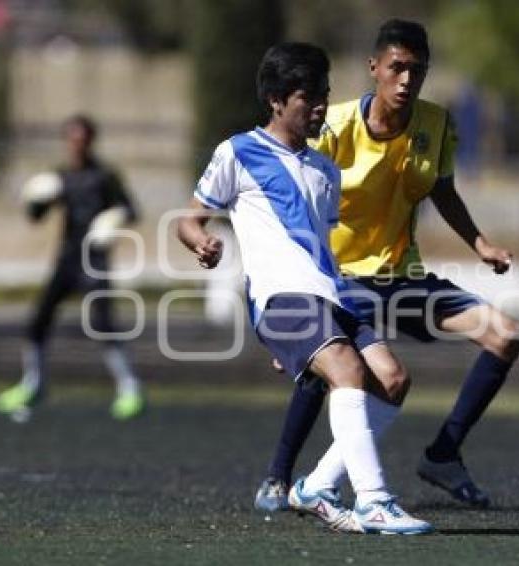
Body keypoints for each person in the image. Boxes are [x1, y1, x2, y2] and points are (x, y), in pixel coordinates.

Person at [254, 19, 519, 512]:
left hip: (403, 277)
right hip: (339, 279)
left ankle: (443, 455)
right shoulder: (332, 127)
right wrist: (291, 318)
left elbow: (442, 190)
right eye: (397, 68)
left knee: (506, 334)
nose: (406, 80)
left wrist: (480, 243)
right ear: (374, 68)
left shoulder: (436, 124)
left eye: (417, 71)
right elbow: (295, 212)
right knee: (333, 368)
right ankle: (279, 477)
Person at [177, 42, 432, 535]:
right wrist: (201, 241)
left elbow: (318, 243)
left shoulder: (324, 169)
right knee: (347, 369)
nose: (320, 105)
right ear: (276, 100)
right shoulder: (238, 151)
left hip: (331, 294)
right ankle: (374, 500)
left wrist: (302, 346)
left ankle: (315, 486)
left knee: (394, 380)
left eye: (324, 94)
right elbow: (190, 219)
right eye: (307, 96)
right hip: (281, 296)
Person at [0, 115, 144, 421]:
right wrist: (34, 198)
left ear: (90, 141)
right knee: (38, 321)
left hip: (95, 260)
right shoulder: (60, 177)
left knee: (102, 324)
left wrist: (113, 218)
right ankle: (33, 384)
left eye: (82, 139)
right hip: (67, 258)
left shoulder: (104, 176)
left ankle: (129, 388)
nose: (77, 145)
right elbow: (36, 216)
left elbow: (131, 209)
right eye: (72, 139)